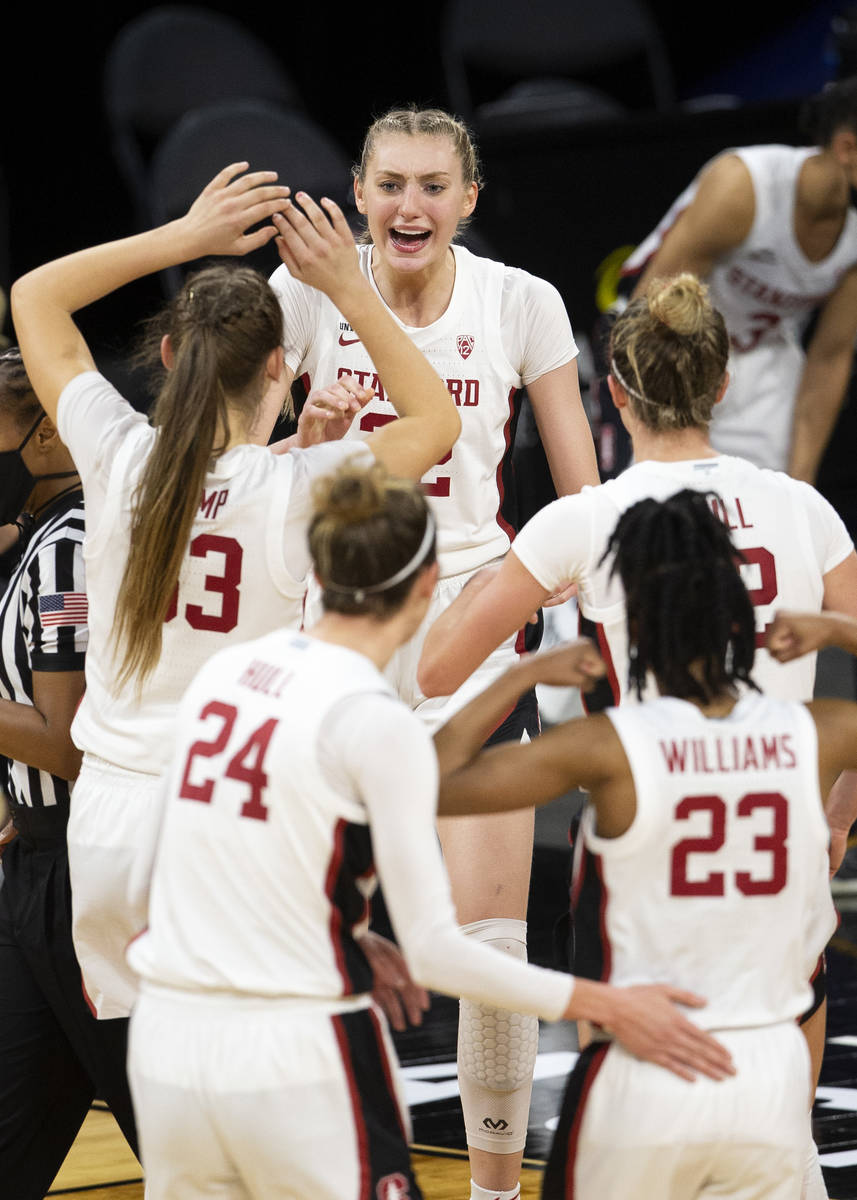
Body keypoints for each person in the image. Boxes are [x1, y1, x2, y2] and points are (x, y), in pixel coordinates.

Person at [125, 461, 733, 1200]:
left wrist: (341, 930)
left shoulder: (226, 674)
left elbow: (146, 874)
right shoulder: (370, 718)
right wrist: (603, 1003)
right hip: (291, 1052)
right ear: (425, 587)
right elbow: (440, 954)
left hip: (165, 1044)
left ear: (317, 567)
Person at [418, 272, 857, 1200]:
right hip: (782, 840)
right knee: (782, 1079)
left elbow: (436, 674)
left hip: (644, 848)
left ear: (612, 392)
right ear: (723, 382)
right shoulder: (806, 512)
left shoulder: (585, 520)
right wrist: (838, 813)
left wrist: (517, 633)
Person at [9, 162, 461, 1024]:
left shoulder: (117, 455)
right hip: (229, 809)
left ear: (172, 354)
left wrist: (184, 237)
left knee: (171, 1098)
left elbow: (36, 296)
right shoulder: (294, 488)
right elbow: (436, 423)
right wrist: (346, 286)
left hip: (106, 826)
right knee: (265, 1096)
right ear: (281, 369)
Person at [268, 104, 601, 1199]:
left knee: (492, 947)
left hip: (468, 614)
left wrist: (538, 611)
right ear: (358, 194)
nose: (409, 206)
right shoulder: (300, 292)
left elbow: (581, 500)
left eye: (431, 186)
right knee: (313, 935)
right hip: (337, 628)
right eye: (389, 185)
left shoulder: (521, 300)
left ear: (468, 200)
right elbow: (228, 474)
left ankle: (497, 1193)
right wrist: (302, 441)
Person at [0, 348, 140, 1198]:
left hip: (87, 883)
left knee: (185, 1153)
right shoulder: (38, 539)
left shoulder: (74, 546)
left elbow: (64, 741)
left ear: (51, 433)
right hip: (32, 876)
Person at [613, 75, 857, 483]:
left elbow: (830, 357)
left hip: (761, 366)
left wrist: (801, 485)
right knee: (659, 514)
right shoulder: (744, 187)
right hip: (668, 347)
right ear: (848, 148)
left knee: (774, 523)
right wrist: (665, 433)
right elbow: (652, 307)